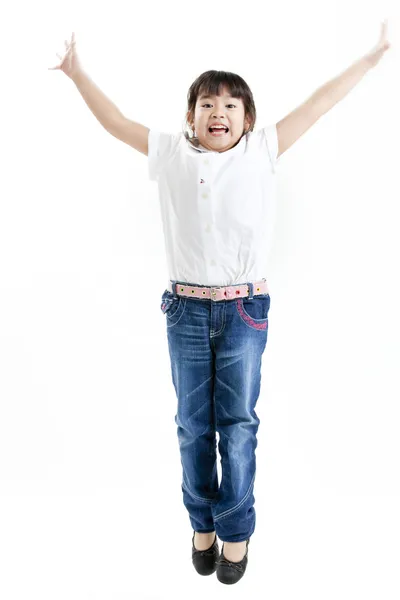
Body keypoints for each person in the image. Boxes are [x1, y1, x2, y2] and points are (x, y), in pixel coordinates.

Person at [48, 25, 390, 585]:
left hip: (244, 312)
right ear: (192, 116)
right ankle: (201, 523)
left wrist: (372, 57)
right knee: (191, 424)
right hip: (184, 311)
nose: (219, 111)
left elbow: (320, 103)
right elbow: (114, 122)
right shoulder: (169, 153)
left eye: (231, 104)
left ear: (246, 119)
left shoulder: (263, 148)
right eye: (207, 102)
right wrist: (78, 73)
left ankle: (236, 530)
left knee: (236, 426)